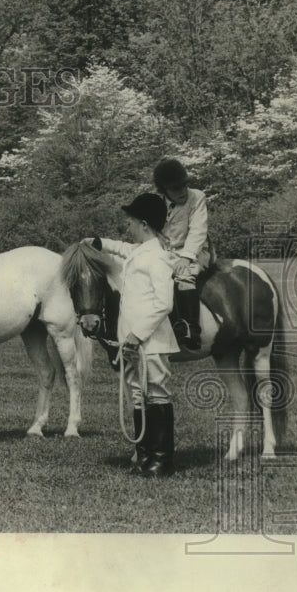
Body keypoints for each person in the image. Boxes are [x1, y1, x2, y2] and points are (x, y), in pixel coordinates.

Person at [92, 193, 180, 477]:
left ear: (143, 224)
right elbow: (121, 248)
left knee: (156, 394)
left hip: (150, 341)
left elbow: (164, 303)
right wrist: (97, 242)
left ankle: (162, 459)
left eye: (130, 222)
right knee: (138, 395)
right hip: (131, 342)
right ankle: (144, 454)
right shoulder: (140, 251)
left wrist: (137, 335)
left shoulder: (157, 257)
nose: (127, 226)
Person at [154, 157, 211, 350]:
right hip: (167, 254)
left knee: (184, 275)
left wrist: (186, 258)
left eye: (184, 185)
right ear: (164, 190)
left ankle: (190, 328)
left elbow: (198, 230)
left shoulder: (197, 197)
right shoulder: (155, 203)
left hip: (195, 251)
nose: (182, 191)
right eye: (175, 189)